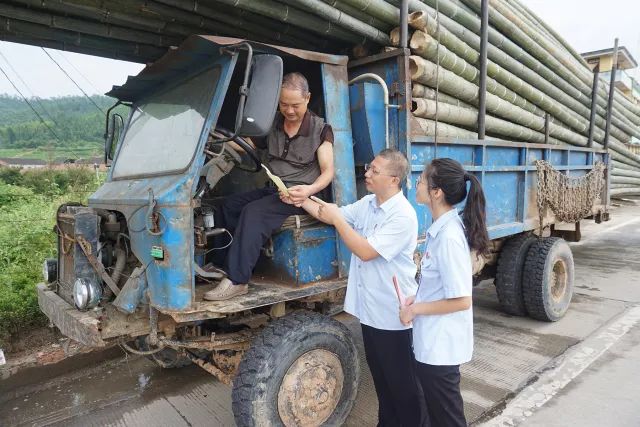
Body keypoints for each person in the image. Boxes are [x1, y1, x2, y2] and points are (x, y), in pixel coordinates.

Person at [290, 149, 424, 427]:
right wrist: (301, 199)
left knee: (404, 386)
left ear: (394, 179)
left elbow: (365, 251)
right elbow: (331, 214)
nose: (367, 173)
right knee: (383, 382)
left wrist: (338, 219)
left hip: (394, 315)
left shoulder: (402, 216)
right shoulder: (368, 204)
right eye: (369, 167)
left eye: (375, 170)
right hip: (371, 311)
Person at [204, 72, 334, 301]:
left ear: (307, 98)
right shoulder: (272, 124)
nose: (290, 111)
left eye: (295, 105)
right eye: (284, 104)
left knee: (254, 212)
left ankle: (238, 280)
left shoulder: (320, 129)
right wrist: (216, 138)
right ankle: (222, 265)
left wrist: (309, 191)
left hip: (302, 197)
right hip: (275, 189)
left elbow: (328, 172)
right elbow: (248, 145)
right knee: (227, 205)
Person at [399, 158, 490, 427]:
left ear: (436, 192)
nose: (416, 184)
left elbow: (461, 300)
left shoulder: (449, 237)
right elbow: (440, 285)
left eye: (421, 180)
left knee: (448, 420)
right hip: (431, 344)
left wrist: (414, 309)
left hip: (441, 348)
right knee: (432, 415)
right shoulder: (440, 230)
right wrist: (419, 297)